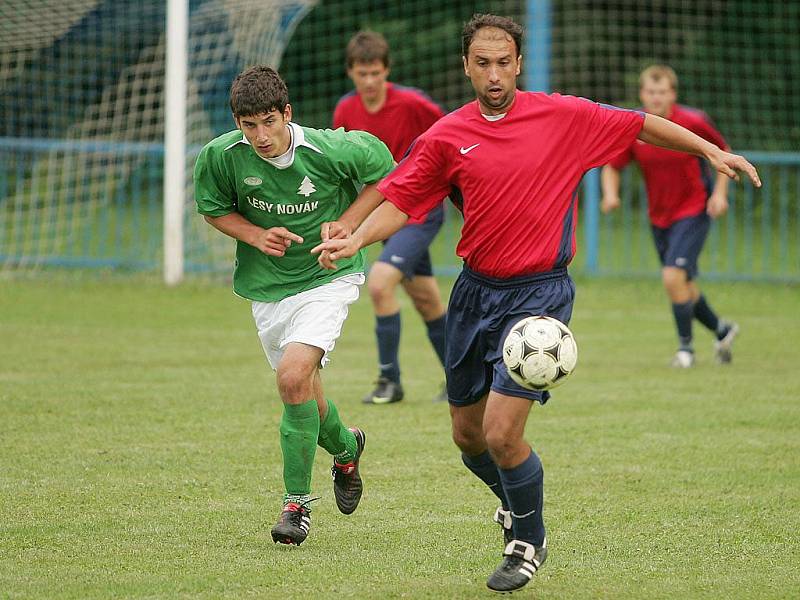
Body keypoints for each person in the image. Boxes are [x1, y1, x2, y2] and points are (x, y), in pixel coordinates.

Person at [311, 14, 760, 592]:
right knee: (468, 438)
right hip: (474, 293)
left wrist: (711, 154)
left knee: (502, 432)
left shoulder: (563, 116)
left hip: (540, 293)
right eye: (482, 63)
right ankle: (513, 504)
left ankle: (528, 541)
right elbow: (403, 199)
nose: (494, 74)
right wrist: (356, 237)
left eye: (504, 62)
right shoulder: (447, 135)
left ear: (518, 64)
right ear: (465, 66)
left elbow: (644, 125)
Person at [193, 65, 395, 546]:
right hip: (267, 290)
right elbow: (213, 207)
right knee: (302, 391)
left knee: (291, 377)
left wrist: (347, 224)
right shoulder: (220, 157)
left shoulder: (333, 148)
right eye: (249, 125)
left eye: (269, 121)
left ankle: (296, 506)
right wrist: (257, 234)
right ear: (236, 123)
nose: (261, 136)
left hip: (328, 279)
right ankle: (347, 449)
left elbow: (387, 173)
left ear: (287, 113)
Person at [333, 30, 448, 404]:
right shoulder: (345, 111)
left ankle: (389, 382)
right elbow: (344, 166)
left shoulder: (413, 104)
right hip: (381, 215)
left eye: (376, 73)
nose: (369, 81)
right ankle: (462, 380)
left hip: (420, 210)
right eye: (362, 73)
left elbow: (451, 133)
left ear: (387, 71)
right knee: (427, 299)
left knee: (380, 283)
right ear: (351, 73)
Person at [601, 65, 739, 368]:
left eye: (662, 92)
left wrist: (719, 194)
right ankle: (722, 330)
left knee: (672, 276)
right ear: (642, 94)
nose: (656, 98)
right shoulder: (636, 126)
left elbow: (723, 150)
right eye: (651, 92)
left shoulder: (692, 122)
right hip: (659, 216)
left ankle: (685, 350)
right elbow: (612, 165)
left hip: (693, 210)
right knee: (683, 284)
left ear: (672, 95)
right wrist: (611, 195)